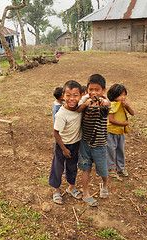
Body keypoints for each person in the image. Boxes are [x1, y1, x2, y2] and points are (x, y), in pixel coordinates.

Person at [77, 74, 111, 207]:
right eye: (91, 89)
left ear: (103, 90)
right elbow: (78, 109)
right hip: (85, 142)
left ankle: (105, 184)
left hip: (99, 144)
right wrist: (86, 104)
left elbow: (107, 107)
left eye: (97, 90)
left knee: (102, 169)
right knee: (85, 168)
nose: (93, 92)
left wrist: (104, 103)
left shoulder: (104, 103)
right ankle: (86, 193)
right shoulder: (85, 100)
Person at [49, 80, 83, 205]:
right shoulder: (61, 114)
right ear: (63, 95)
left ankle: (71, 187)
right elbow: (56, 133)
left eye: (75, 95)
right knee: (58, 167)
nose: (72, 98)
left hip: (75, 144)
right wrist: (63, 148)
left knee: (72, 166)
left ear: (80, 96)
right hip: (62, 144)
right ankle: (56, 190)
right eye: (68, 95)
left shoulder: (79, 108)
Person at [106, 83, 135, 178]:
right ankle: (110, 168)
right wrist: (123, 124)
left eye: (124, 95)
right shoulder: (114, 105)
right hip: (111, 132)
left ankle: (120, 168)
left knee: (120, 150)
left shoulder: (123, 104)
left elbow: (132, 113)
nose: (123, 97)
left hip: (120, 132)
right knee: (111, 150)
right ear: (114, 96)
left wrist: (127, 105)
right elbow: (111, 119)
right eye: (120, 95)